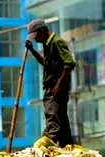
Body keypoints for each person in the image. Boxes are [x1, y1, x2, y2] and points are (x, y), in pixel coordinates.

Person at [25, 18, 76, 147]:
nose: (35, 39)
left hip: (55, 88)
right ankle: (67, 148)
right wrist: (32, 50)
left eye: (36, 36)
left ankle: (43, 149)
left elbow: (69, 63)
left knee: (53, 122)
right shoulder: (47, 45)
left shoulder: (57, 42)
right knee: (62, 123)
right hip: (52, 87)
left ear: (43, 31)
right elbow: (46, 64)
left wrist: (59, 85)